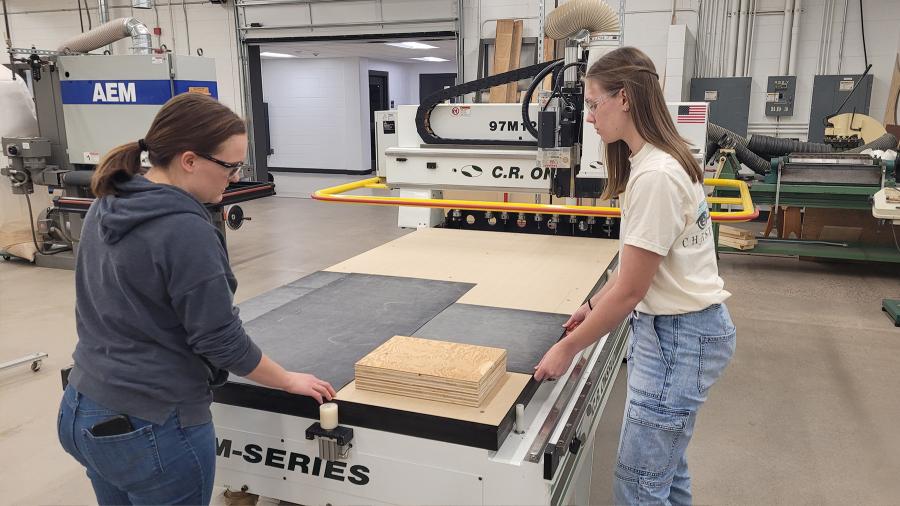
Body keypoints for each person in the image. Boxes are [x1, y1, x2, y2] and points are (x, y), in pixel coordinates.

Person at [57, 93, 336, 506]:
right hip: (152, 426)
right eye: (230, 165)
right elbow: (220, 340)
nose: (236, 176)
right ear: (189, 160)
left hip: (82, 407)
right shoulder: (184, 228)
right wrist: (288, 379)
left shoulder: (109, 200)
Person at [533, 47, 736, 504]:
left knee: (638, 485)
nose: (588, 117)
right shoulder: (659, 158)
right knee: (666, 472)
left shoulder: (656, 176)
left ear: (623, 98)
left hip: (679, 340)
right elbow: (635, 265)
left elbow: (630, 292)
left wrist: (567, 348)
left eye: (592, 103)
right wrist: (588, 308)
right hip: (682, 332)